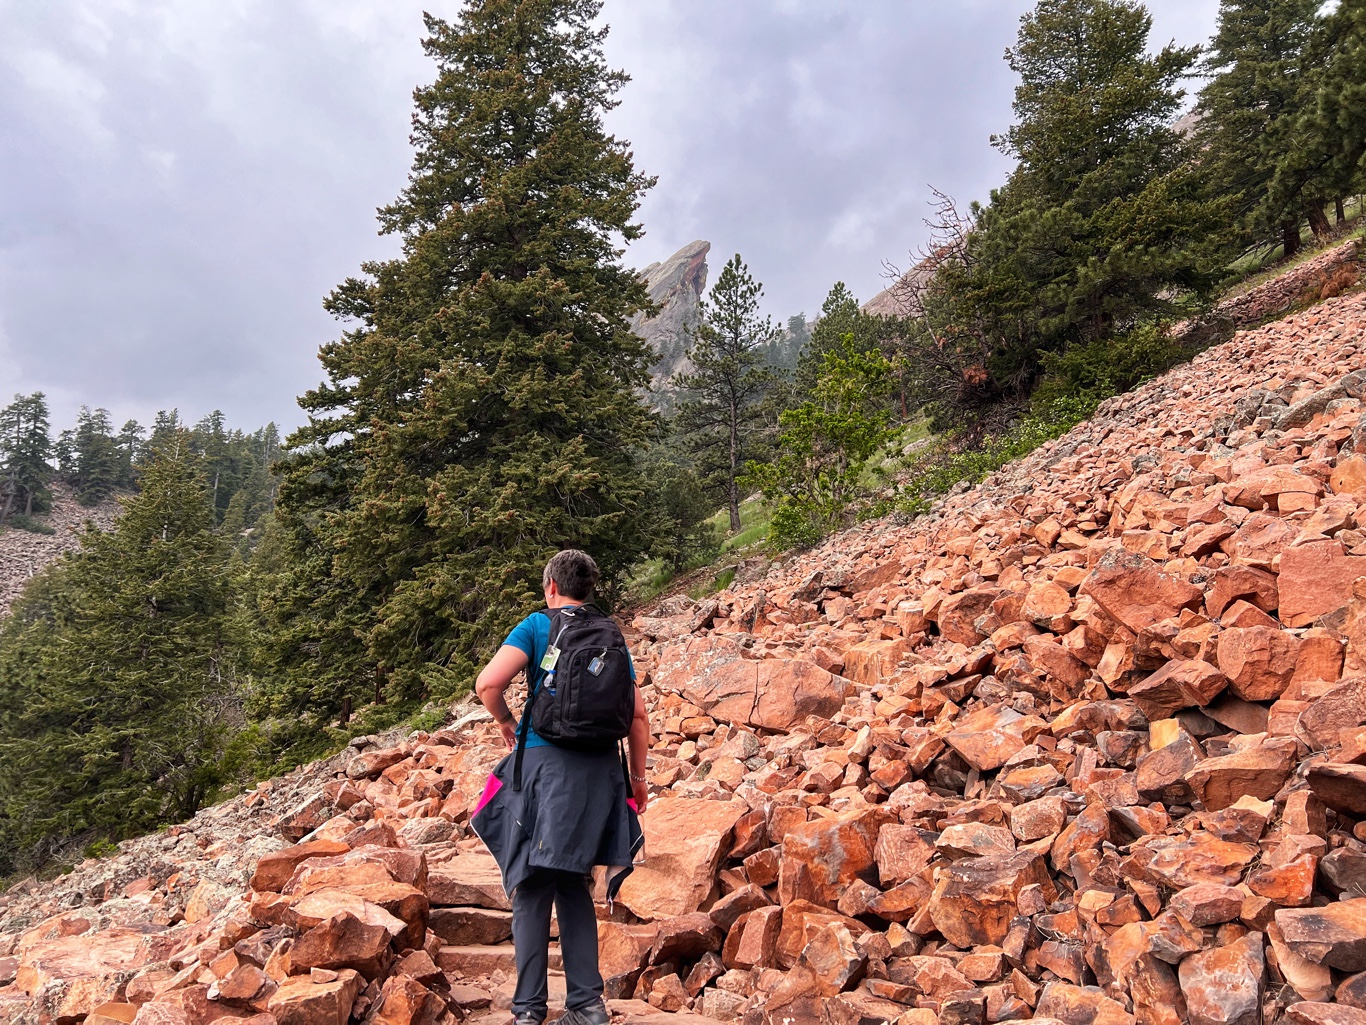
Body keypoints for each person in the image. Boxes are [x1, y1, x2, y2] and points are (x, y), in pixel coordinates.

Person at [473, 550, 651, 1025]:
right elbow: (637, 717)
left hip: (544, 772)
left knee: (532, 884)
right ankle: (587, 1006)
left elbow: (488, 684)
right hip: (599, 774)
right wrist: (637, 780)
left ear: (551, 586)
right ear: (587, 588)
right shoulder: (610, 634)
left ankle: (529, 1010)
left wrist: (507, 721)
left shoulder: (537, 626)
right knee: (573, 881)